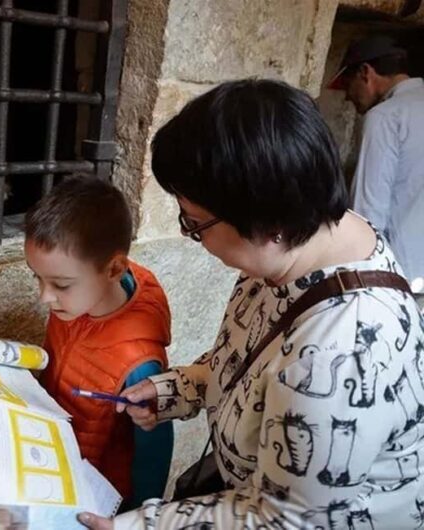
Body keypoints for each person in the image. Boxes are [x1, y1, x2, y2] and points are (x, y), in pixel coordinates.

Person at [78, 79, 424, 529]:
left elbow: (286, 519)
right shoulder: (298, 244)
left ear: (267, 220)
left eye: (195, 223)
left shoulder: (343, 349)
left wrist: (139, 525)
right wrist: (177, 389)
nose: (193, 236)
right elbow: (243, 357)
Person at [24, 177, 174, 509]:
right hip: (54, 468)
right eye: (38, 278)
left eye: (60, 284)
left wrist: (138, 518)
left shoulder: (139, 363)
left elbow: (153, 457)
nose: (44, 297)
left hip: (101, 500)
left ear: (114, 268)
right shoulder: (73, 303)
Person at [329, 34, 424, 298]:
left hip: (399, 279)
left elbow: (367, 216)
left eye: (348, 84)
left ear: (366, 72)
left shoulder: (385, 117)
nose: (348, 97)